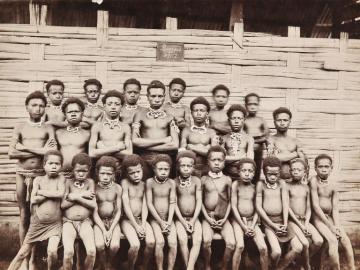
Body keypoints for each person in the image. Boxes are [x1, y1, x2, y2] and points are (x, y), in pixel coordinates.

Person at [8, 91, 57, 244]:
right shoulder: (20, 127)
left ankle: (35, 254)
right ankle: (24, 254)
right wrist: (39, 152)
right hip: (22, 174)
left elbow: (51, 153)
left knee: (38, 213)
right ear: (27, 107)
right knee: (24, 213)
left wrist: (24, 148)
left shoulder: (48, 128)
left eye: (41, 106)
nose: (38, 109)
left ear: (45, 108)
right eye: (34, 105)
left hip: (42, 175)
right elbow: (11, 153)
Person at [7, 150, 65, 270]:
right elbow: (33, 199)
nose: (54, 166)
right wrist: (50, 194)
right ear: (44, 165)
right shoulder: (38, 180)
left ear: (61, 166)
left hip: (55, 225)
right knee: (22, 253)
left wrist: (42, 192)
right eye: (50, 163)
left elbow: (60, 194)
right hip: (37, 224)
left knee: (52, 251)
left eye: (57, 164)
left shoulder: (61, 179)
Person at [255, 156, 303, 270]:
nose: (272, 177)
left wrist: (285, 223)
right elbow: (259, 207)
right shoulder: (260, 185)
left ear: (279, 172)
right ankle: (274, 265)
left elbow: (286, 204)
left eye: (275, 174)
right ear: (264, 172)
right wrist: (273, 226)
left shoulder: (282, 183)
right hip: (269, 224)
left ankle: (280, 267)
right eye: (269, 174)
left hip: (282, 221)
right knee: (276, 252)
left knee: (298, 247)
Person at [310, 154, 355, 270]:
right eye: (320, 166)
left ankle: (352, 267)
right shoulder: (313, 181)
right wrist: (330, 227)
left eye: (326, 166)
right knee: (333, 241)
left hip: (329, 217)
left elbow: (335, 208)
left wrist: (337, 226)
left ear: (331, 168)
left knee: (345, 240)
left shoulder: (334, 185)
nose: (324, 169)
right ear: (315, 168)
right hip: (317, 218)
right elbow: (315, 206)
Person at [132, 80, 179, 179]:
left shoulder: (170, 117)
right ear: (147, 97)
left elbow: (174, 145)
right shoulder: (139, 115)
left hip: (164, 159)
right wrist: (163, 140)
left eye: (160, 96)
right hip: (144, 158)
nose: (157, 99)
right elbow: (135, 141)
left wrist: (144, 145)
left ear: (164, 97)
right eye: (153, 96)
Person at [231, 158, 268, 270]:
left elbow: (258, 208)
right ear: (238, 172)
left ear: (254, 173)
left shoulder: (255, 187)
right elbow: (233, 206)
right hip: (238, 221)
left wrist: (252, 226)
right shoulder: (235, 185)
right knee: (240, 246)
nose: (247, 174)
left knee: (263, 248)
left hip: (252, 221)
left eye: (250, 171)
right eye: (244, 171)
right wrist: (244, 227)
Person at [61, 153, 97, 270]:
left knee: (91, 251)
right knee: (68, 253)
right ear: (73, 169)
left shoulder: (90, 183)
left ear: (89, 170)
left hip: (85, 222)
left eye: (84, 171)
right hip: (68, 222)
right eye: (78, 171)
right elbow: (63, 205)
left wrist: (74, 197)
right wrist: (82, 195)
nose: (81, 174)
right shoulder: (68, 182)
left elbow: (92, 204)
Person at [201, 146, 234, 270]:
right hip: (208, 217)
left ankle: (224, 267)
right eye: (213, 159)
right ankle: (207, 265)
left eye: (220, 160)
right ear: (207, 162)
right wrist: (208, 219)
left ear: (224, 163)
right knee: (206, 242)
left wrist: (225, 219)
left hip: (223, 218)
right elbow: (201, 203)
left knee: (231, 243)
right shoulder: (203, 180)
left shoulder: (227, 180)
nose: (216, 162)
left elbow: (231, 202)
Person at [287, 158, 323, 270]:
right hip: (292, 221)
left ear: (305, 172)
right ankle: (306, 266)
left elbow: (308, 208)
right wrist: (301, 225)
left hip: (304, 220)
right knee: (304, 243)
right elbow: (287, 208)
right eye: (293, 170)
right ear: (290, 171)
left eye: (299, 169)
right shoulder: (286, 186)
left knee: (318, 241)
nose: (296, 172)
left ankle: (299, 262)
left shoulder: (306, 188)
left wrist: (306, 223)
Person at [121, 154, 155, 270]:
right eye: (132, 173)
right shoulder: (125, 183)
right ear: (126, 173)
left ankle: (144, 266)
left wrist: (143, 224)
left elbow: (145, 205)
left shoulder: (144, 184)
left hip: (141, 219)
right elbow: (126, 205)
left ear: (142, 169)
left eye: (138, 172)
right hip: (127, 220)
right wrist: (136, 225)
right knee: (135, 245)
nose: (136, 175)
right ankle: (131, 267)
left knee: (151, 242)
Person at [89, 90, 132, 178]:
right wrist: (117, 148)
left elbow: (129, 153)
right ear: (104, 106)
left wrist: (103, 149)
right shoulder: (97, 126)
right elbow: (92, 153)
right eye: (110, 104)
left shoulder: (125, 127)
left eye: (116, 104)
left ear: (121, 107)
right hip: (101, 168)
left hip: (119, 167)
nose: (113, 107)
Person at [146, 154, 177, 270]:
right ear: (154, 169)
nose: (163, 172)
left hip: (168, 219)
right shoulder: (149, 182)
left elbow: (172, 202)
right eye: (160, 169)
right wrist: (160, 222)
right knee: (159, 242)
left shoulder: (171, 183)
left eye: (166, 169)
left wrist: (168, 222)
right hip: (155, 219)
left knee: (173, 243)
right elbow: (149, 203)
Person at [92, 156, 122, 270]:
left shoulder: (117, 188)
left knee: (115, 246)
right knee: (99, 245)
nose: (105, 177)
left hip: (113, 221)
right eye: (102, 173)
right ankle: (103, 264)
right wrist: (104, 231)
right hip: (98, 222)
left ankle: (108, 262)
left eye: (109, 174)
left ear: (114, 174)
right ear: (97, 173)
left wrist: (110, 229)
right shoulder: (94, 188)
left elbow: (119, 210)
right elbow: (94, 213)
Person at [174, 150, 202, 270]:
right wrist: (184, 222)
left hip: (194, 218)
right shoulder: (174, 182)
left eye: (189, 166)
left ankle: (190, 267)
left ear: (193, 167)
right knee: (182, 239)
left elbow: (199, 201)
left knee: (197, 240)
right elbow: (174, 204)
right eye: (183, 166)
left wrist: (193, 220)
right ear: (178, 167)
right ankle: (188, 266)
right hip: (180, 219)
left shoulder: (196, 181)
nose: (186, 168)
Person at [179, 97, 217, 177]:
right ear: (191, 113)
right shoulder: (186, 131)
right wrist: (206, 148)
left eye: (202, 111)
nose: (199, 113)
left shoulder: (211, 132)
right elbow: (182, 153)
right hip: (190, 170)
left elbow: (213, 155)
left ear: (207, 113)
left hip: (207, 170)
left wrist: (192, 147)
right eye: (196, 110)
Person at [267, 107, 306, 181]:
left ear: (289, 122)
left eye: (285, 120)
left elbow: (302, 162)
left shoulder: (296, 141)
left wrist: (280, 156)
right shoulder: (270, 139)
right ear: (274, 122)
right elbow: (272, 160)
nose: (282, 123)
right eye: (279, 120)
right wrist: (295, 154)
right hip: (276, 181)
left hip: (294, 180)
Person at [56, 97, 90, 179]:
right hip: (61, 175)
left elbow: (91, 156)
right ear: (65, 114)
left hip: (80, 175)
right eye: (70, 112)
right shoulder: (58, 133)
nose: (73, 114)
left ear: (82, 113)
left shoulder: (87, 134)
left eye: (76, 111)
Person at [223, 104, 254, 181]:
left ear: (243, 120)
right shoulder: (224, 138)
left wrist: (230, 159)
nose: (236, 121)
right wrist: (240, 157)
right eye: (233, 118)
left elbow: (250, 159)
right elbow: (222, 159)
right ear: (229, 120)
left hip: (243, 177)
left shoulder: (249, 138)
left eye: (239, 118)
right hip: (227, 176)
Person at [244, 93, 269, 182]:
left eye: (255, 104)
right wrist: (251, 140)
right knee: (246, 170)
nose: (253, 107)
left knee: (256, 173)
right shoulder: (244, 120)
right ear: (246, 105)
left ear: (258, 105)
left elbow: (267, 136)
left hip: (258, 151)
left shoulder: (261, 120)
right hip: (246, 151)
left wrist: (254, 140)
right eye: (250, 104)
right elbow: (242, 136)